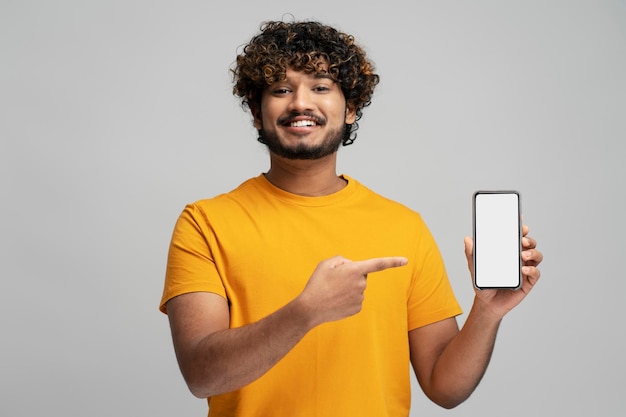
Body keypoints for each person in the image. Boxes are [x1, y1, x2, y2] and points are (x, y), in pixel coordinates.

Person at [159, 20, 543, 416]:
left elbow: (444, 388)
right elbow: (202, 375)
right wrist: (306, 312)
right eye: (281, 89)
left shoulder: (403, 227)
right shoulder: (204, 223)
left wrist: (487, 312)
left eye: (321, 87)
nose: (300, 103)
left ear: (351, 109)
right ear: (258, 113)